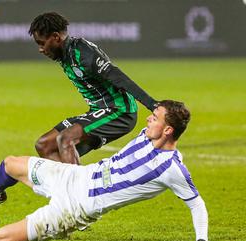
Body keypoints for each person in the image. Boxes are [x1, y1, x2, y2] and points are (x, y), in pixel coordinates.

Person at [0, 100, 216, 241]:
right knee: (10, 164)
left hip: (76, 208)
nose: (148, 119)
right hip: (75, 176)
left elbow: (197, 204)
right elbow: (154, 114)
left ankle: (55, 229)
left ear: (168, 130)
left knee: (1, 237)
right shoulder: (146, 136)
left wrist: (201, 239)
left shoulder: (172, 169)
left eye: (155, 117)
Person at [28, 12, 158, 164]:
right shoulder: (65, 53)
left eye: (42, 43)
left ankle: (78, 186)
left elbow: (117, 76)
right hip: (98, 111)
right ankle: (68, 185)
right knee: (44, 145)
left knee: (65, 139)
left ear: (56, 37)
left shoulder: (83, 52)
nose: (41, 49)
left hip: (119, 111)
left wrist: (152, 104)